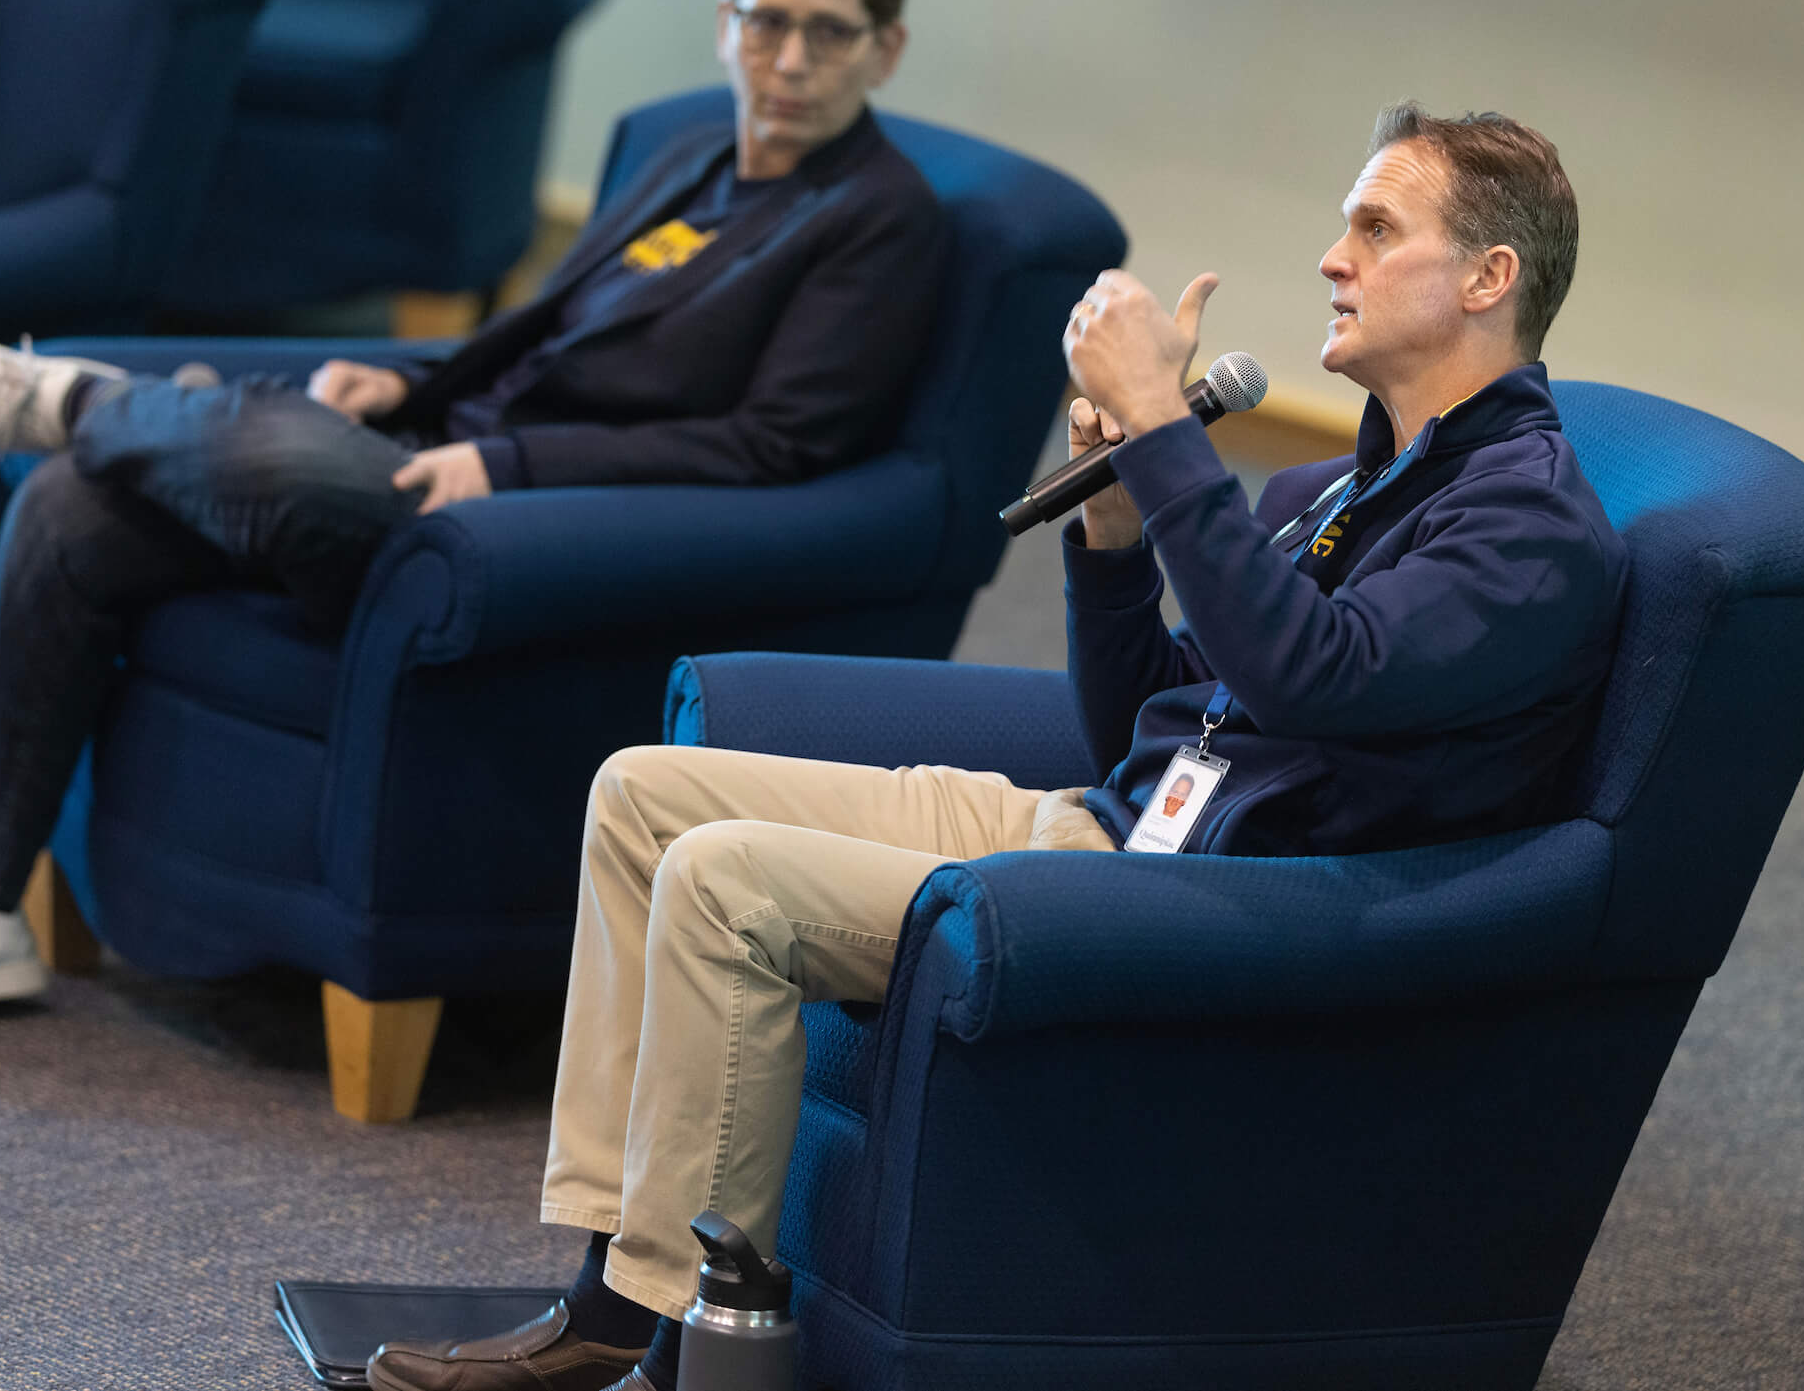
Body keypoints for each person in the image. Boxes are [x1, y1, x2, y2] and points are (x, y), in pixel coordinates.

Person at [367, 103, 1628, 1391]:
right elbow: (1148, 711)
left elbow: (1309, 674)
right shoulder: (1331, 491)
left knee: (723, 881)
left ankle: (672, 1338)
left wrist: (1160, 427)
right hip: (1105, 825)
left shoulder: (1523, 529)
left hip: (1190, 904)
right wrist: (1118, 534)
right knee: (641, 795)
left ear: (1487, 277)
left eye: (1374, 226)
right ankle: (604, 1279)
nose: (1330, 257)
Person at [0, 0, 947, 1023]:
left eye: (827, 32)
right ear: (725, 23)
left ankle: (99, 405)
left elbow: (767, 450)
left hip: (521, 527)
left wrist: (511, 471)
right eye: (766, 22)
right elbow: (535, 333)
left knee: (279, 466)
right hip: (434, 444)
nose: (789, 58)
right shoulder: (690, 157)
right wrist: (408, 380)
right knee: (73, 508)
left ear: (883, 49)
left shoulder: (879, 219)